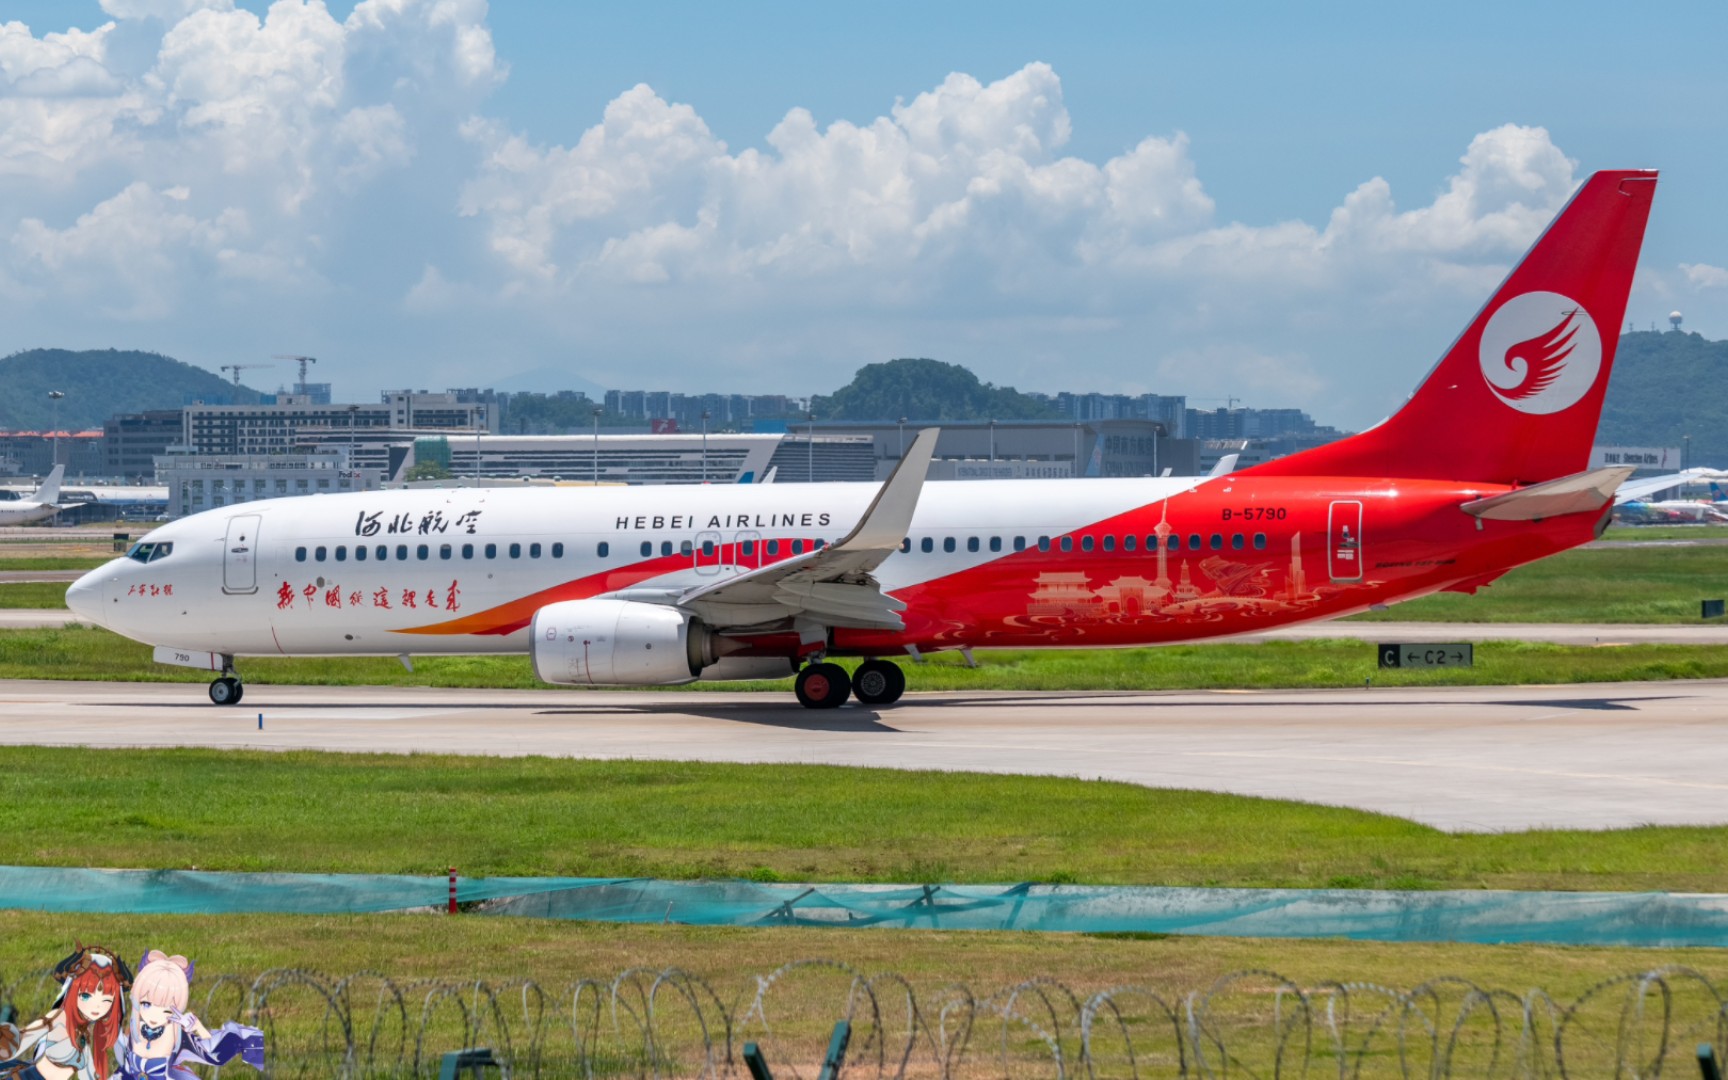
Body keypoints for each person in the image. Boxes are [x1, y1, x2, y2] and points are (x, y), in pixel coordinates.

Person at [113, 952, 262, 1080]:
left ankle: (250, 1041)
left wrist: (197, 1027)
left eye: (167, 1010)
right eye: (146, 1004)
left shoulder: (177, 1033)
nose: (154, 1015)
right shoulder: (135, 1026)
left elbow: (212, 1052)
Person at [0, 945, 132, 1080]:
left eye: (106, 1001)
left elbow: (87, 1075)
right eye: (86, 996)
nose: (97, 1006)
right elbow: (22, 1040)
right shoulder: (58, 1019)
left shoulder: (83, 1036)